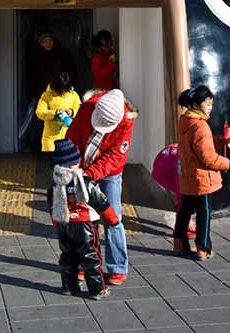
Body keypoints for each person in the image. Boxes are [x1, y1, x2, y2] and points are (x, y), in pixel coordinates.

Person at [66, 88, 137, 285]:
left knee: (113, 217)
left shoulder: (126, 120)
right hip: (80, 168)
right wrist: (74, 167)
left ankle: (117, 267)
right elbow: (73, 138)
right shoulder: (87, 108)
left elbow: (115, 157)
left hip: (110, 173)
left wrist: (90, 175)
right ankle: (85, 264)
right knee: (83, 218)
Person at [47, 139, 119, 300]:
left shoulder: (54, 185)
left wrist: (56, 225)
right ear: (75, 162)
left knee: (68, 257)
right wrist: (113, 221)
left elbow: (52, 208)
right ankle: (97, 289)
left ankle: (69, 287)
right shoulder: (85, 182)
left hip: (64, 225)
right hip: (85, 225)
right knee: (91, 258)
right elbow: (101, 203)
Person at [173, 86, 230, 260]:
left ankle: (179, 243)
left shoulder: (185, 121)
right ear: (197, 104)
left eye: (211, 103)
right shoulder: (201, 126)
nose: (210, 107)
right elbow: (208, 158)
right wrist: (225, 163)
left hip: (188, 177)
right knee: (204, 214)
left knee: (184, 211)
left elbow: (197, 145)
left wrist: (218, 140)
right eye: (207, 103)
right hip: (202, 179)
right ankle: (202, 248)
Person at [35, 72, 81, 152]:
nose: (63, 92)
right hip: (51, 139)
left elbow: (81, 110)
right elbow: (39, 112)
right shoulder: (46, 95)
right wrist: (54, 113)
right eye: (60, 90)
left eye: (65, 90)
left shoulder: (73, 95)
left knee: (68, 163)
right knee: (50, 163)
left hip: (69, 137)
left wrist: (72, 112)